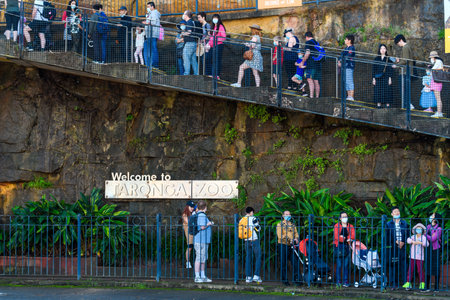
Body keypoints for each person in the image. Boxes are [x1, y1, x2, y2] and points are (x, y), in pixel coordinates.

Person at [385, 207, 408, 289]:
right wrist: (395, 241)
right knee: (393, 265)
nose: (397, 213)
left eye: (398, 211)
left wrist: (403, 242)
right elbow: (387, 236)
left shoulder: (404, 223)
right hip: (393, 247)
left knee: (404, 265)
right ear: (392, 214)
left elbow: (407, 234)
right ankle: (394, 284)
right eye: (395, 211)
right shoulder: (388, 224)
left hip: (403, 247)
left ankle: (406, 283)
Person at [276, 210, 301, 286]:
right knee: (283, 263)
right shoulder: (280, 224)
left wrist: (296, 238)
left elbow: (296, 233)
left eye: (289, 214)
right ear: (283, 216)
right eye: (286, 214)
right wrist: (290, 239)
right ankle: (285, 280)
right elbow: (280, 236)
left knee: (295, 262)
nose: (288, 216)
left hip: (292, 246)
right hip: (283, 245)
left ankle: (297, 280)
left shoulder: (292, 225)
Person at [239, 207, 262, 284]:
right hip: (254, 240)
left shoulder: (242, 220)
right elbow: (258, 229)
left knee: (248, 258)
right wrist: (258, 223)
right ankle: (256, 275)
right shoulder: (253, 218)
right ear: (251, 212)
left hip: (246, 241)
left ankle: (248, 277)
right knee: (258, 256)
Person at [403, 223, 428, 290]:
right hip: (412, 256)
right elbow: (408, 240)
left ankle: (422, 283)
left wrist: (421, 243)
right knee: (410, 270)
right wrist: (412, 241)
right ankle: (408, 283)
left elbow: (427, 244)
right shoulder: (413, 236)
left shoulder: (423, 237)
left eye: (420, 228)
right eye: (417, 228)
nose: (418, 230)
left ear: (422, 230)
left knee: (420, 271)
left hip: (420, 257)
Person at [333, 212, 355, 287]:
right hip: (339, 246)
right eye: (343, 217)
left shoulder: (350, 226)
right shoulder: (337, 226)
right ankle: (338, 281)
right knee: (339, 265)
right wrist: (345, 238)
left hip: (347, 247)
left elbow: (352, 236)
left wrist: (343, 237)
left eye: (346, 216)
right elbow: (336, 237)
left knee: (346, 265)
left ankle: (346, 281)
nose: (345, 218)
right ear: (340, 218)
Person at [193, 200, 213, 283]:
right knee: (199, 258)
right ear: (205, 207)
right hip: (201, 240)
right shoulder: (202, 216)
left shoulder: (198, 215)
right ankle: (198, 276)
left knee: (203, 258)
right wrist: (209, 223)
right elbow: (202, 227)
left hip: (201, 240)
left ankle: (202, 275)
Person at [393, 34, 414, 110]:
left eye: (398, 43)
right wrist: (399, 61)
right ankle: (407, 105)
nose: (398, 45)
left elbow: (405, 60)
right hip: (407, 72)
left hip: (405, 72)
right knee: (405, 89)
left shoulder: (405, 47)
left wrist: (397, 65)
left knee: (404, 90)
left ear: (401, 40)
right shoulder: (408, 47)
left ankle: (407, 105)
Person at [300, 31, 322, 98]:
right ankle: (317, 97)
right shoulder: (316, 43)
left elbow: (307, 53)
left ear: (307, 37)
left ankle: (311, 96)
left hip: (311, 65)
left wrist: (302, 62)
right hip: (318, 64)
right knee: (316, 81)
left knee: (309, 79)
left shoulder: (308, 42)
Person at [425, 213, 443, 291]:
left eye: (432, 216)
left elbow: (433, 239)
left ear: (435, 219)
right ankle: (427, 286)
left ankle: (436, 287)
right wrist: (427, 235)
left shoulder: (439, 228)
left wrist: (425, 234)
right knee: (428, 267)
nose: (431, 217)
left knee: (436, 267)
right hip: (428, 249)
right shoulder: (428, 227)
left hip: (436, 249)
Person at [205, 14, 226, 78]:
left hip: (219, 45)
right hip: (212, 46)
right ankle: (210, 74)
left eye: (216, 18)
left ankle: (216, 75)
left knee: (216, 60)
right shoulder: (213, 27)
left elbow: (224, 37)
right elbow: (211, 38)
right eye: (213, 18)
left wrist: (216, 39)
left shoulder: (220, 27)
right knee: (208, 58)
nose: (215, 19)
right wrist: (209, 43)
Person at [143, 1, 160, 68]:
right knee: (149, 49)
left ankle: (154, 65)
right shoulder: (150, 13)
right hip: (149, 34)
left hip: (153, 34)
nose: (147, 8)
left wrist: (146, 23)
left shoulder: (155, 13)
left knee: (153, 49)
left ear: (152, 7)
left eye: (148, 6)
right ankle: (149, 65)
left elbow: (153, 22)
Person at [339, 34, 356, 101]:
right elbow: (341, 56)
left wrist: (341, 60)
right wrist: (339, 61)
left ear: (349, 40)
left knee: (349, 81)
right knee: (346, 81)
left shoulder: (351, 48)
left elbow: (348, 56)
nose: (345, 40)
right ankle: (348, 96)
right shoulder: (345, 48)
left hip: (349, 66)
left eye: (346, 39)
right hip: (344, 67)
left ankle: (351, 96)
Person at [182, 10, 198, 75]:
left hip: (189, 43)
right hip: (193, 43)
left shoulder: (189, 22)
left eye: (184, 14)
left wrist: (183, 34)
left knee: (186, 58)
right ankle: (196, 73)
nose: (183, 15)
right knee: (193, 60)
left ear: (186, 15)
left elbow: (189, 32)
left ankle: (186, 73)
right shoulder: (192, 22)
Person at [429, 51, 444, 118]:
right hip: (435, 81)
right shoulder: (437, 61)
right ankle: (439, 112)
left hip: (436, 82)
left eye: (431, 57)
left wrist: (430, 66)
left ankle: (439, 112)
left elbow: (432, 70)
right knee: (437, 98)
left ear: (433, 57)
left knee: (438, 98)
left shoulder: (438, 62)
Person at [182, 200, 195, 269]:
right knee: (189, 247)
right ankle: (188, 262)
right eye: (191, 207)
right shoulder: (185, 214)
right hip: (189, 233)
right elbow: (189, 222)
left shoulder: (193, 213)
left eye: (193, 207)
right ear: (187, 207)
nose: (192, 208)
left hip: (194, 232)